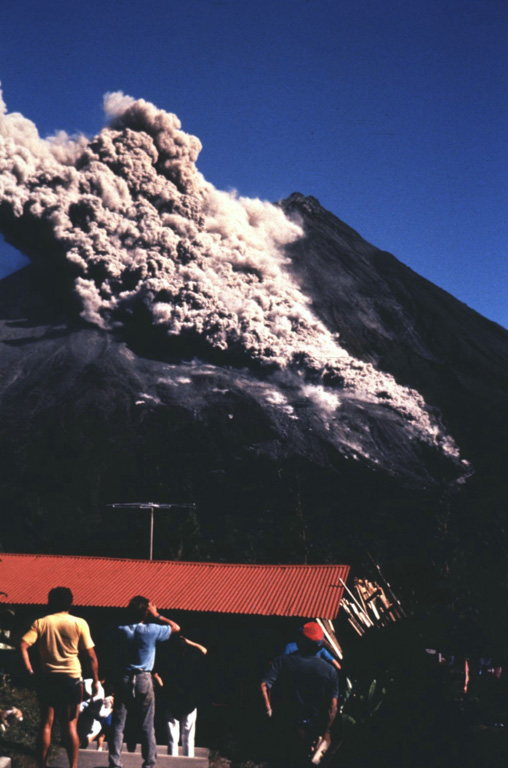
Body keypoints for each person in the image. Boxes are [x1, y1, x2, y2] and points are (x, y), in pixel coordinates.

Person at [19, 586, 99, 768]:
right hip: (72, 678)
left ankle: (41, 764)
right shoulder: (79, 623)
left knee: (46, 723)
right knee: (71, 725)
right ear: (71, 603)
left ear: (50, 602)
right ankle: (73, 766)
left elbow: (23, 645)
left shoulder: (41, 622)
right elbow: (91, 655)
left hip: (48, 678)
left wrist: (30, 670)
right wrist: (95, 680)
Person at [108, 596, 180, 768]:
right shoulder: (152, 629)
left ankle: (115, 762)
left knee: (118, 724)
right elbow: (176, 628)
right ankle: (149, 762)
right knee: (147, 724)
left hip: (125, 677)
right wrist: (157, 615)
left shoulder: (122, 630)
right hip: (143, 677)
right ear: (146, 612)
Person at [261, 621, 338, 768]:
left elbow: (263, 686)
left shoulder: (281, 662)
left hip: (284, 726)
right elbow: (333, 707)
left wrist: (268, 711)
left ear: (300, 640)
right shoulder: (330, 671)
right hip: (312, 731)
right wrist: (324, 731)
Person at [153, 634, 207, 757]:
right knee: (188, 734)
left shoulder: (168, 661)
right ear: (185, 648)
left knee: (172, 734)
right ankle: (188, 760)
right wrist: (190, 642)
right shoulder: (193, 658)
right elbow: (204, 650)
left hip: (171, 699)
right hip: (190, 701)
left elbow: (157, 676)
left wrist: (162, 686)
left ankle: (173, 760)